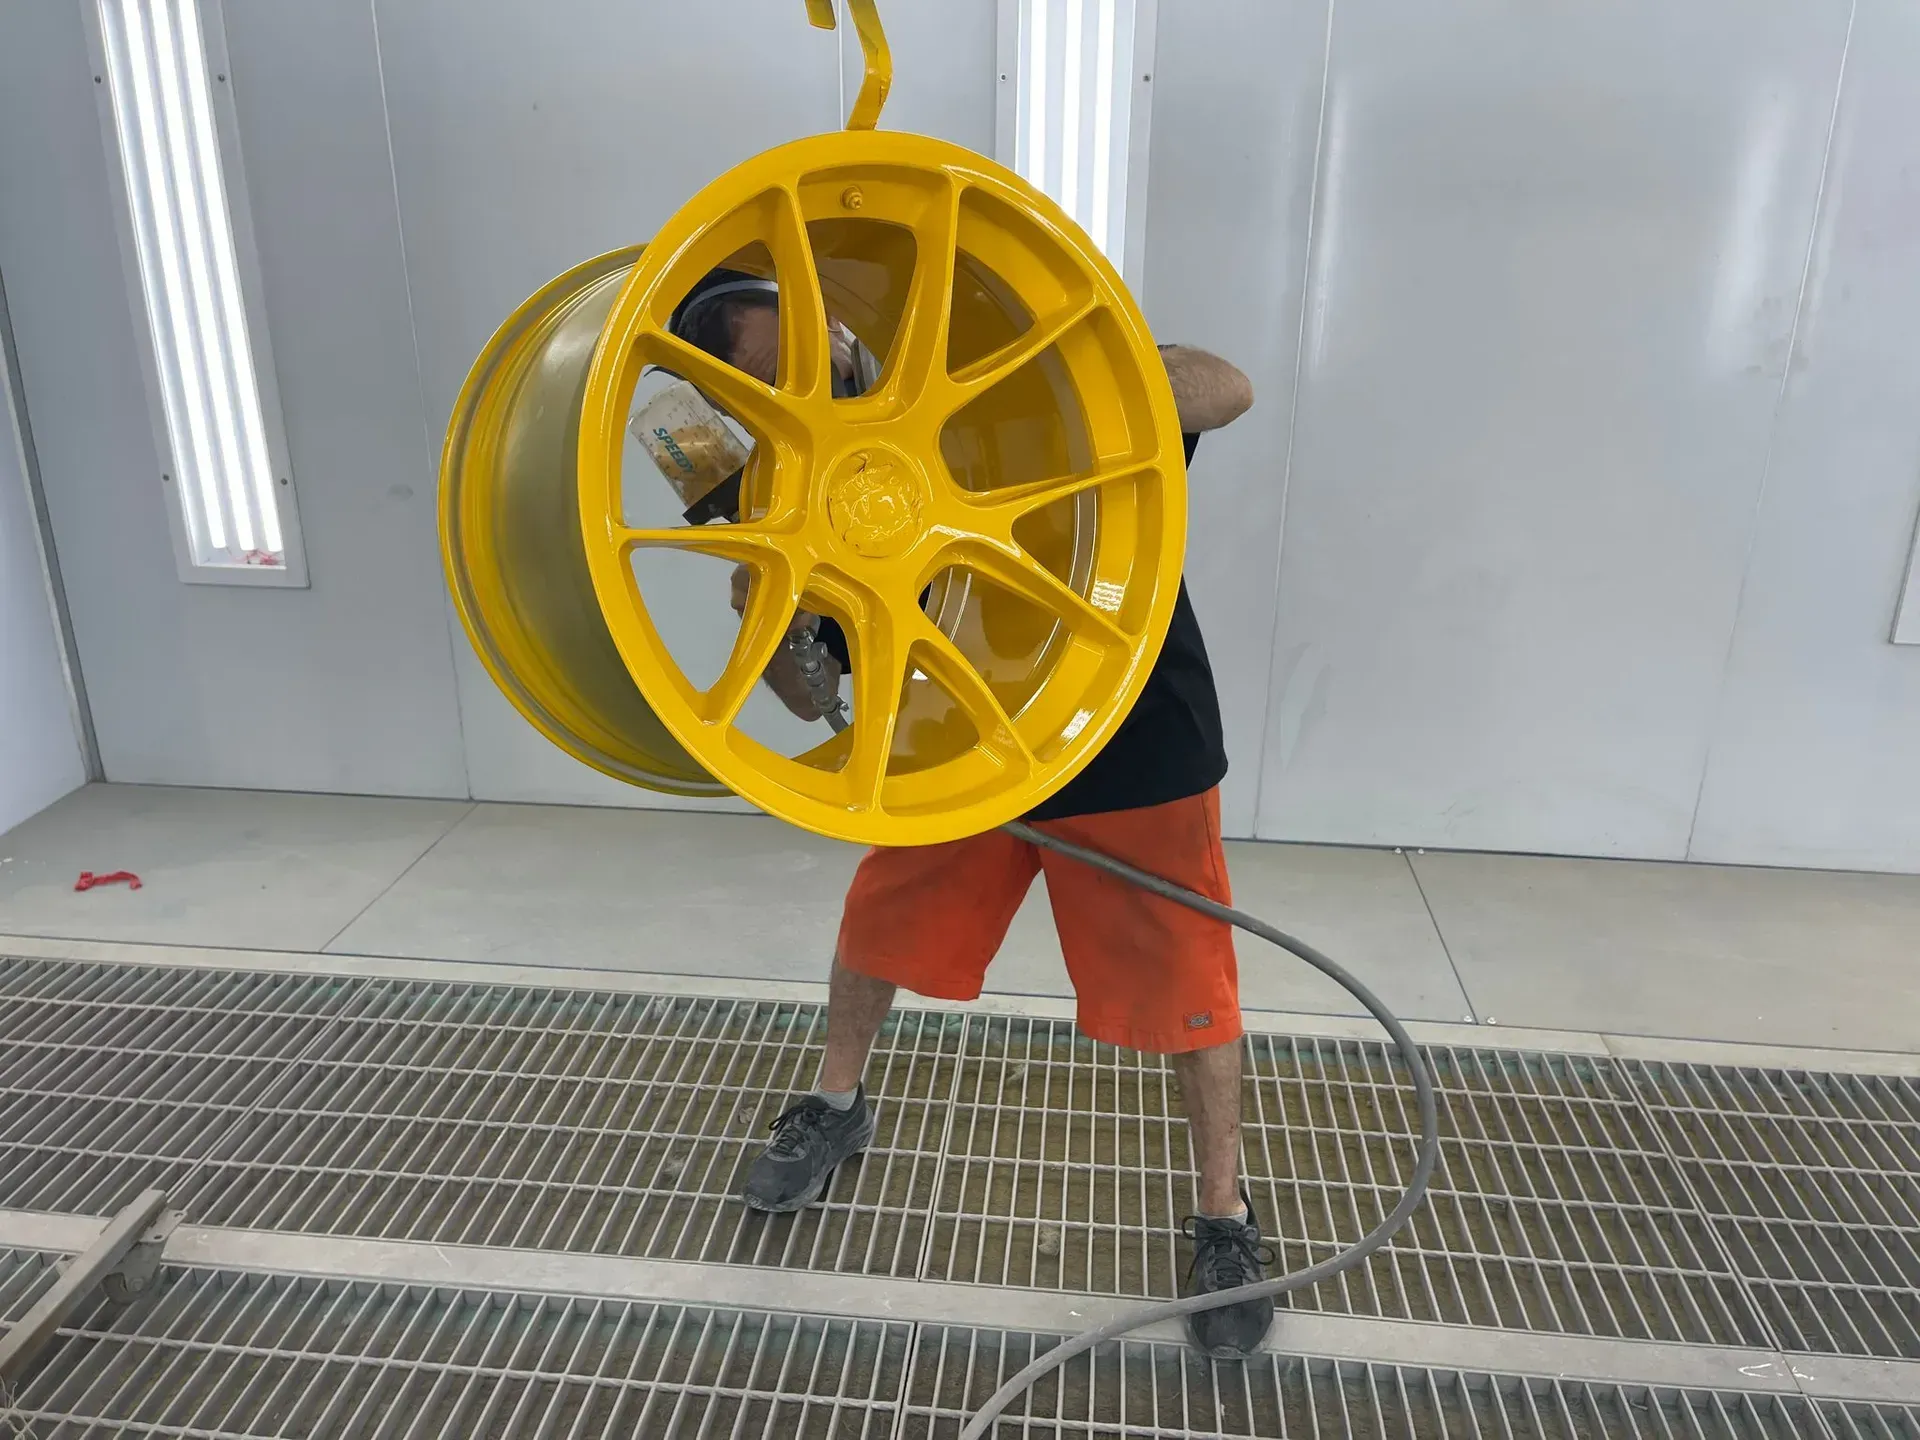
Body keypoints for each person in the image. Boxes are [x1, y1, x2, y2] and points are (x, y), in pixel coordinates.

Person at [672, 268, 1270, 1357]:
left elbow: (1225, 388)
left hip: (1130, 734)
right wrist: (766, 597)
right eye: (760, 389)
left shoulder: (1006, 404)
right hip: (960, 743)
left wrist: (1082, 383)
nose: (792, 391)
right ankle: (837, 1103)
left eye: (797, 358)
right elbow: (807, 694)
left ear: (839, 333)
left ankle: (1224, 1216)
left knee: (1189, 978)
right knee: (879, 925)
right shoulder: (797, 494)